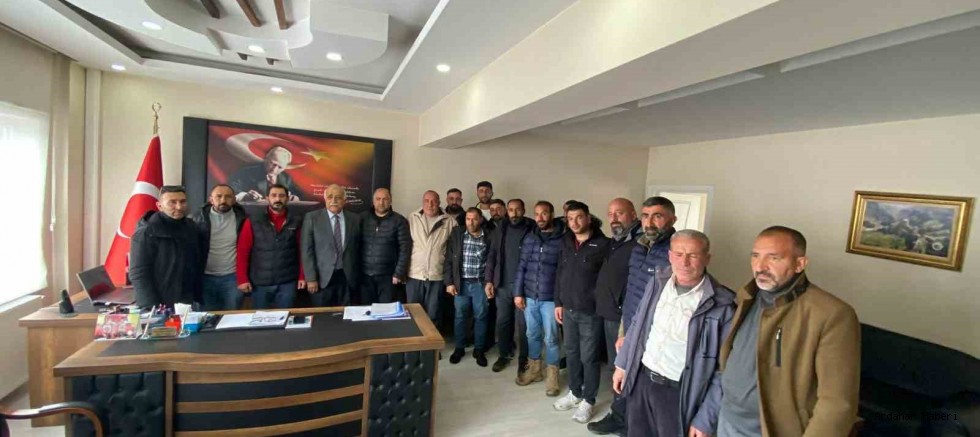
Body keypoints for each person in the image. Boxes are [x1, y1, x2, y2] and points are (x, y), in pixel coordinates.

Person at [717, 226, 860, 437]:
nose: (760, 266)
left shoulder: (832, 314)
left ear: (800, 264)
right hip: (728, 419)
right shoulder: (747, 296)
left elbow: (837, 404)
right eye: (755, 256)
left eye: (774, 258)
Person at [613, 230, 736, 437]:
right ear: (669, 256)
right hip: (641, 380)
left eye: (693, 255)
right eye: (678, 254)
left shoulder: (722, 305)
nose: (684, 262)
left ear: (707, 258)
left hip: (678, 393)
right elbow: (638, 324)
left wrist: (705, 419)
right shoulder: (657, 282)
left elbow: (724, 370)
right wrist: (623, 364)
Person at [553, 201, 611, 424]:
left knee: (589, 357)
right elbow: (560, 273)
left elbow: (607, 281)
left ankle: (589, 400)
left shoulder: (603, 245)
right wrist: (558, 302)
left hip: (590, 313)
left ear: (588, 218)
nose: (575, 222)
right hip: (568, 310)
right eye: (570, 219)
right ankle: (575, 392)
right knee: (572, 353)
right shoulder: (566, 242)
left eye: (579, 217)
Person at [588, 198, 641, 435]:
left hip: (621, 317)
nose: (614, 218)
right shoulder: (615, 241)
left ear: (633, 214)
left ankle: (620, 418)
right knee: (614, 365)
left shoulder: (639, 243)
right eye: (610, 214)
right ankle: (622, 414)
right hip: (607, 311)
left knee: (620, 366)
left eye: (620, 213)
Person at [514, 201, 566, 396]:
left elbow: (564, 271)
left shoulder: (563, 239)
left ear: (552, 214)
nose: (540, 218)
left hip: (550, 299)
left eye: (544, 213)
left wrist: (561, 300)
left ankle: (552, 375)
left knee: (551, 338)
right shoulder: (530, 238)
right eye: (537, 214)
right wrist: (518, 293)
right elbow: (521, 266)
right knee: (531, 335)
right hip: (530, 297)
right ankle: (535, 370)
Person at [130, 185, 205, 307]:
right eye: (172, 202)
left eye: (182, 201)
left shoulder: (191, 227)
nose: (179, 207)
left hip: (187, 299)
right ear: (159, 206)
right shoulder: (147, 231)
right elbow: (138, 273)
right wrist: (151, 307)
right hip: (159, 301)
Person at [485, 198, 535, 373]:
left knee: (524, 326)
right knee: (503, 322)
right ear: (507, 211)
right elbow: (492, 255)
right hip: (503, 284)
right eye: (511, 210)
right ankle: (504, 355)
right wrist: (489, 280)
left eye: (518, 209)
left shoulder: (532, 227)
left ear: (524, 210)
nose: (514, 213)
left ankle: (524, 359)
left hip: (525, 286)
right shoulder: (501, 228)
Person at [235, 183, 305, 309]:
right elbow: (243, 251)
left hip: (287, 282)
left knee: (286, 316)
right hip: (260, 283)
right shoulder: (253, 221)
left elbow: (302, 251)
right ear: (267, 198)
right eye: (274, 195)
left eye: (281, 196)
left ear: (287, 199)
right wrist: (242, 279)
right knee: (260, 319)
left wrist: (302, 276)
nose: (277, 199)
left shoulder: (297, 221)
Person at [620, 197, 677, 337]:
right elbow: (631, 290)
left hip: (653, 333)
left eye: (657, 216)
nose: (649, 223)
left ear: (673, 220)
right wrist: (622, 331)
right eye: (645, 216)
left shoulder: (677, 252)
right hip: (629, 324)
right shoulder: (638, 247)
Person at [445, 208, 492, 367]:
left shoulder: (489, 236)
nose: (470, 222)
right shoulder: (457, 234)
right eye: (468, 219)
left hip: (480, 284)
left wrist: (489, 282)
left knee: (481, 317)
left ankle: (479, 350)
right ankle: (459, 348)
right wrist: (449, 282)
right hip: (461, 283)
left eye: (474, 219)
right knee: (460, 317)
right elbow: (449, 259)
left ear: (481, 220)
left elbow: (492, 261)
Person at [301, 184, 362, 306]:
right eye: (330, 197)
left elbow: (358, 248)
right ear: (325, 199)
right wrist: (311, 278)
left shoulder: (355, 219)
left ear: (344, 200)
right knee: (322, 315)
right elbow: (307, 250)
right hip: (322, 278)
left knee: (346, 313)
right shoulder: (312, 218)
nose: (333, 200)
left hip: (347, 278)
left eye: (338, 197)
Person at [191, 184, 248, 311]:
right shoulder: (197, 219)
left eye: (228, 197)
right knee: (206, 319)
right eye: (218, 196)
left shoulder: (243, 219)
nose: (223, 200)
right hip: (205, 278)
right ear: (211, 199)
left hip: (232, 278)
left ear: (234, 200)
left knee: (231, 318)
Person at [407, 190, 457, 327]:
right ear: (422, 202)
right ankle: (414, 340)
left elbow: (453, 252)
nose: (430, 204)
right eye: (427, 201)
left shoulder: (450, 222)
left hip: (437, 275)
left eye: (434, 201)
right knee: (413, 314)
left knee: (434, 314)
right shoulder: (412, 218)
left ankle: (433, 341)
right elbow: (404, 246)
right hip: (414, 274)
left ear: (439, 203)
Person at [360, 188, 411, 304]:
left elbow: (405, 249)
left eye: (385, 199)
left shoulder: (399, 221)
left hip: (389, 277)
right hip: (364, 276)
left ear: (391, 200)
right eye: (378, 199)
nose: (381, 202)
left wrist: (399, 273)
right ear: (373, 201)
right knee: (366, 310)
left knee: (386, 311)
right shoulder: (362, 218)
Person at [228, 146, 299, 202]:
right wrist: (245, 196)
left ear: (284, 168)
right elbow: (231, 190)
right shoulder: (246, 172)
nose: (274, 169)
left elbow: (298, 195)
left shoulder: (286, 178)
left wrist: (294, 198)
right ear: (267, 158)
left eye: (280, 167)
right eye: (273, 164)